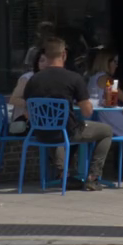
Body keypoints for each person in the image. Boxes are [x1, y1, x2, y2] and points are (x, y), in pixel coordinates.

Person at [22, 38, 113, 191]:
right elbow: (87, 111)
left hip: (40, 133)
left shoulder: (33, 80)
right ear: (63, 54)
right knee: (106, 131)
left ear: (46, 55)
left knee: (55, 129)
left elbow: (27, 113)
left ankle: (64, 174)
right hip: (67, 132)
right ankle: (93, 177)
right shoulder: (73, 78)